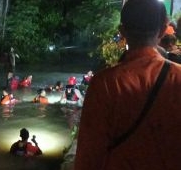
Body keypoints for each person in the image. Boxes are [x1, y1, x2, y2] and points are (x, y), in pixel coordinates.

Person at [74, 0, 181, 170]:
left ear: (122, 32)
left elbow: (88, 157)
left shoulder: (104, 84)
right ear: (162, 30)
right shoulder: (178, 77)